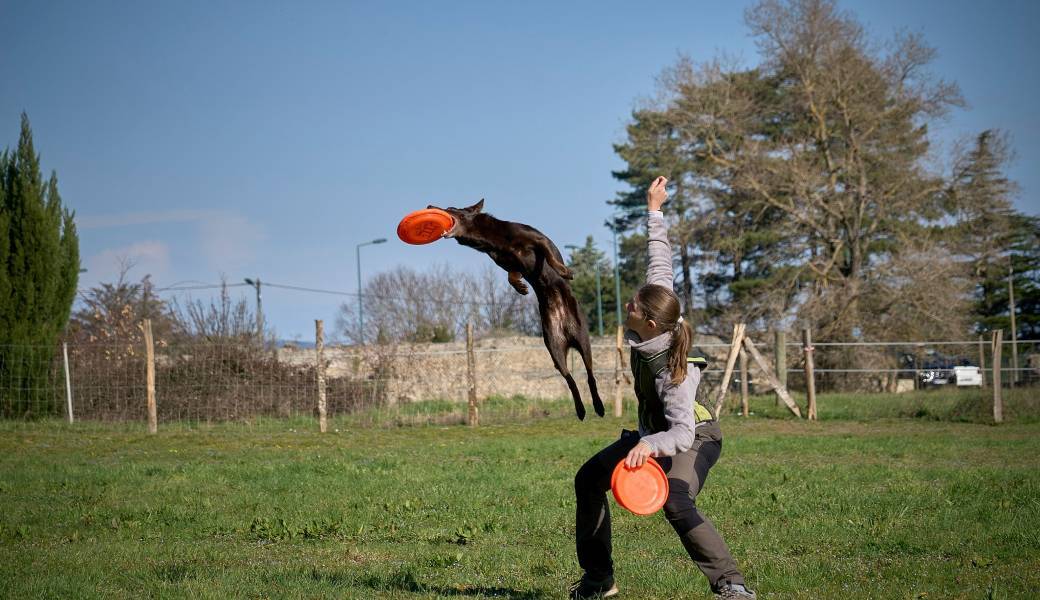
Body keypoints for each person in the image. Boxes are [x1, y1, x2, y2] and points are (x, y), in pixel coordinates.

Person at [570, 176, 756, 599]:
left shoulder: (674, 372)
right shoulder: (659, 308)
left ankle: (731, 584)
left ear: (650, 323)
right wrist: (654, 210)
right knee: (588, 479)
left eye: (634, 305)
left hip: (696, 435)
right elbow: (661, 261)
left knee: (675, 498)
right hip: (654, 434)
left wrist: (649, 446)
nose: (629, 304)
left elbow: (682, 433)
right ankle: (599, 580)